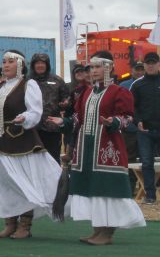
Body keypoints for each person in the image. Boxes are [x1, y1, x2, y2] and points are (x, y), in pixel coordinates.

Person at [48, 51, 145, 245]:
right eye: (91, 67)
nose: (93, 71)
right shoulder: (86, 92)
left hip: (108, 149)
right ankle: (97, 230)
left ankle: (107, 234)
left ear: (109, 68)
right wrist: (63, 122)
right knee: (91, 188)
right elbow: (78, 120)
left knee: (107, 190)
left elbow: (127, 118)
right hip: (86, 149)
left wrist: (113, 121)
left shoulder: (119, 92)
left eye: (98, 67)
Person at [0, 50, 62, 239]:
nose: (6, 65)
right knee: (4, 183)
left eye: (10, 61)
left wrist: (24, 117)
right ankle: (10, 223)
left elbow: (35, 112)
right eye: (4, 61)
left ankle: (25, 225)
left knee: (23, 182)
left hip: (22, 141)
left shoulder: (28, 85)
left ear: (20, 65)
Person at [131, 51, 160, 204]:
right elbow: (131, 107)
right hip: (145, 131)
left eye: (153, 62)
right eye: (148, 63)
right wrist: (138, 121)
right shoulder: (137, 84)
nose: (150, 65)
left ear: (158, 64)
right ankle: (150, 196)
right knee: (147, 163)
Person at [29, 53, 69, 163]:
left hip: (51, 128)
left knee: (52, 159)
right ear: (33, 65)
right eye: (37, 63)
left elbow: (67, 98)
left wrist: (66, 103)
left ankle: (55, 180)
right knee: (33, 160)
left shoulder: (57, 80)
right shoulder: (27, 81)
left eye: (42, 63)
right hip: (32, 129)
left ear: (47, 65)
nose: (40, 65)